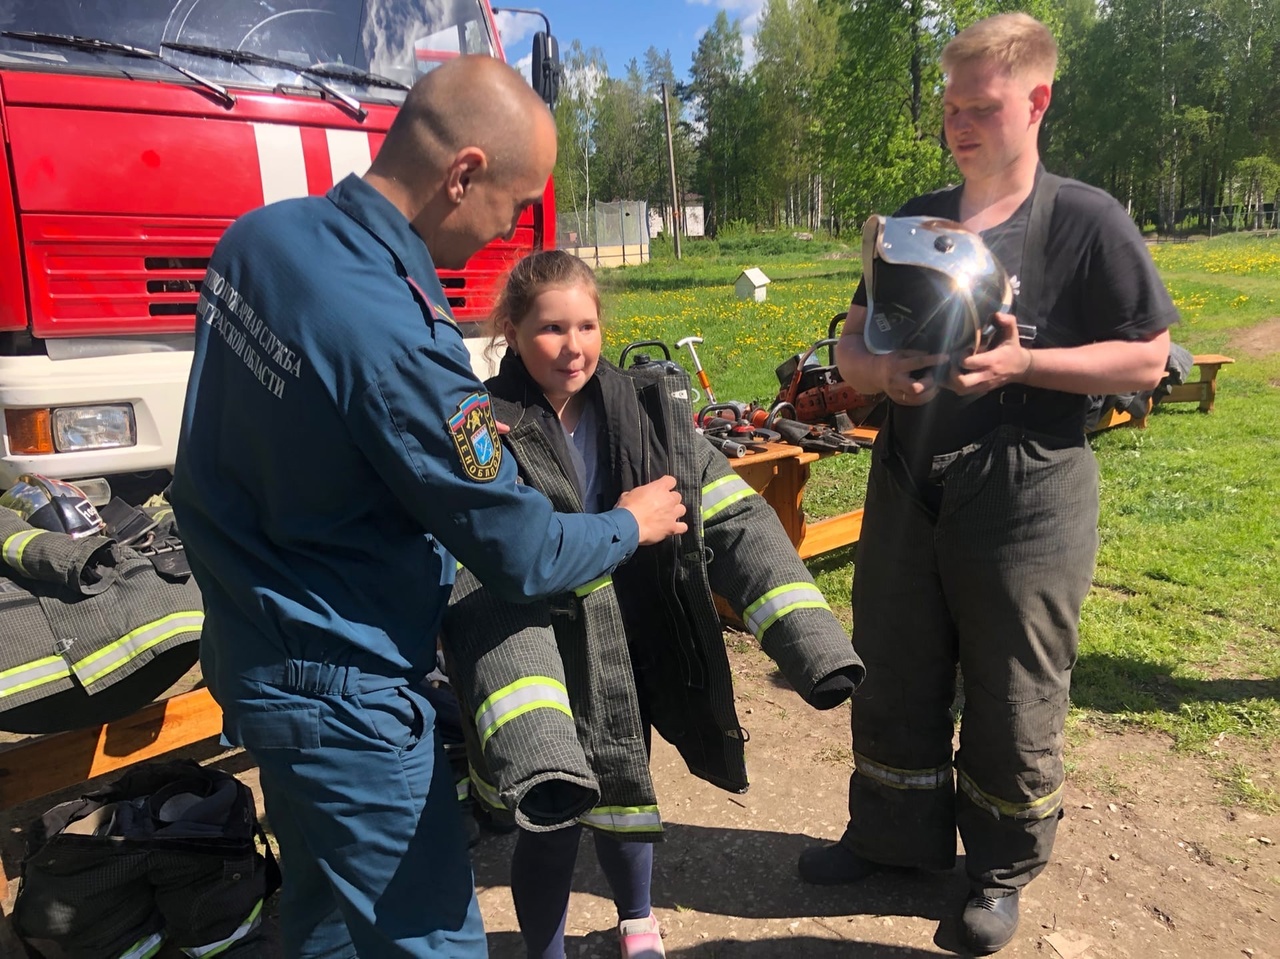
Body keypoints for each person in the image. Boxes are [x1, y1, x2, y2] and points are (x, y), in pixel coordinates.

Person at [169, 56, 688, 959]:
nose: (508, 233)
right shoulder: (404, 341)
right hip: (348, 696)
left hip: (254, 653)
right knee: (429, 940)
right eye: (513, 206)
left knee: (328, 918)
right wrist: (628, 523)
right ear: (464, 175)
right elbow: (519, 552)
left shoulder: (259, 240)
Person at [798, 12, 1177, 955]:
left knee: (1013, 688)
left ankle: (999, 868)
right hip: (908, 473)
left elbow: (1148, 358)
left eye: (982, 106)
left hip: (1031, 489)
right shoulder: (916, 220)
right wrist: (876, 375)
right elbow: (853, 334)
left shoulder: (1087, 220)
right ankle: (891, 837)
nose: (959, 124)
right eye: (950, 107)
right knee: (894, 660)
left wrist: (1024, 368)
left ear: (1037, 101)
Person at [441, 250, 865, 959]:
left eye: (585, 325)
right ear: (510, 331)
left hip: (626, 641)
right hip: (537, 652)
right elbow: (478, 555)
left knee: (626, 795)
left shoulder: (645, 410)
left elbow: (728, 513)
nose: (571, 346)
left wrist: (810, 639)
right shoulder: (484, 425)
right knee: (551, 819)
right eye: (549, 329)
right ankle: (544, 947)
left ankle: (637, 917)